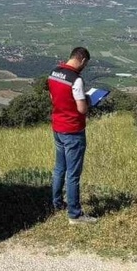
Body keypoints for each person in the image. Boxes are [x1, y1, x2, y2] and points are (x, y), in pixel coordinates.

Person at [48, 46, 97, 223]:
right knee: (73, 174)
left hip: (58, 126)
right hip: (73, 130)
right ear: (82, 60)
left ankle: (56, 203)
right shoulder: (76, 80)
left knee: (59, 168)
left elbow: (53, 98)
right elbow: (82, 109)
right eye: (86, 64)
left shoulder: (54, 73)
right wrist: (89, 100)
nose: (84, 67)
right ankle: (74, 214)